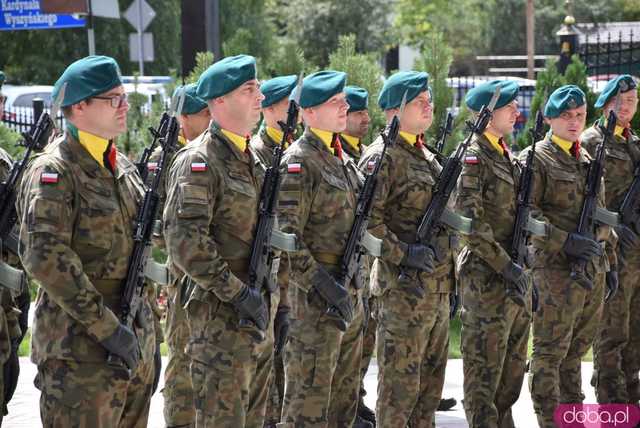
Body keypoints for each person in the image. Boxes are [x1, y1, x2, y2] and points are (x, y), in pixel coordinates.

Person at [16, 55, 157, 427]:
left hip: (132, 340)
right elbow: (46, 259)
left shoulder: (121, 167)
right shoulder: (55, 171)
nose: (125, 107)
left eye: (125, 97)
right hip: (80, 353)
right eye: (114, 99)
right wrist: (110, 330)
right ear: (79, 106)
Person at [163, 55, 282, 427]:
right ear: (218, 102)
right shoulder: (199, 161)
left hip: (258, 315)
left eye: (258, 87)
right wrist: (238, 293)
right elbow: (186, 243)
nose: (259, 96)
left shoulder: (254, 160)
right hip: (220, 323)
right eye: (249, 89)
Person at [359, 70, 455, 428]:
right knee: (399, 394)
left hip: (437, 290)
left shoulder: (426, 155)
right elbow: (367, 224)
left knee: (428, 396)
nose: (428, 105)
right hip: (402, 292)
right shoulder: (382, 157)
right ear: (395, 109)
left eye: (429, 99)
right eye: (420, 101)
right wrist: (404, 254)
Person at [277, 70, 369, 428]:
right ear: (310, 113)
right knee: (308, 407)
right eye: (336, 101)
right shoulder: (299, 162)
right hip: (315, 304)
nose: (345, 106)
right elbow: (286, 236)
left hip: (350, 294)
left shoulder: (341, 160)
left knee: (343, 406)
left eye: (344, 100)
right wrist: (324, 284)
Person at [522, 85, 616, 427]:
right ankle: (549, 419)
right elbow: (527, 217)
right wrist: (566, 241)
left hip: (591, 270)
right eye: (566, 116)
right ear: (549, 118)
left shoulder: (588, 160)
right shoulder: (536, 159)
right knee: (549, 354)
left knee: (575, 355)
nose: (574, 122)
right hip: (554, 273)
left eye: (579, 116)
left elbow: (603, 215)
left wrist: (610, 259)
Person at [455, 80, 532, 427]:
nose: (517, 112)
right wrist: (507, 266)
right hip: (487, 282)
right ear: (487, 115)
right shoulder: (474, 157)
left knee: (510, 375)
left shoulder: (505, 154)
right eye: (509, 107)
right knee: (484, 376)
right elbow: (470, 225)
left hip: (513, 278)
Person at [149, 83, 209, 428]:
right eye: (203, 114)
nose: (210, 119)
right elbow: (154, 222)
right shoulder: (164, 159)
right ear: (183, 117)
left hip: (209, 273)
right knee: (183, 360)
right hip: (181, 276)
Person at [581, 74, 640, 405]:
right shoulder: (592, 143)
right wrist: (616, 227)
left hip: (638, 259)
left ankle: (630, 407)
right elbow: (582, 202)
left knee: (634, 339)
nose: (629, 105)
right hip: (612, 257)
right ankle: (613, 410)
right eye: (622, 101)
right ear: (606, 105)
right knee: (611, 337)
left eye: (633, 100)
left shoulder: (636, 143)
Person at [250, 74, 298, 428]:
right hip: (270, 282)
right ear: (268, 111)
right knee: (267, 376)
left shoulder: (293, 149)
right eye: (286, 105)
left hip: (294, 282)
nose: (293, 112)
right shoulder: (260, 155)